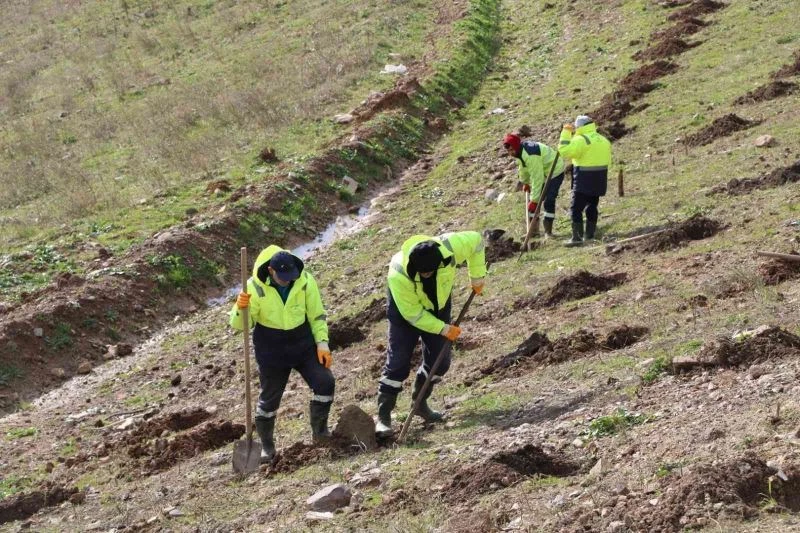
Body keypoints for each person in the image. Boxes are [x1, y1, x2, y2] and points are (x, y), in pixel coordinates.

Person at [375, 231, 487, 437]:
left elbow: (477, 242)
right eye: (423, 273)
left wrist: (477, 276)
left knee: (440, 362)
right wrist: (444, 328)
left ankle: (420, 403)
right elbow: (413, 314)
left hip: (438, 305)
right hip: (404, 313)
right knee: (398, 363)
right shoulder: (399, 273)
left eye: (430, 271)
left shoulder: (451, 248)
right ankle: (383, 417)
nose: (426, 275)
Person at [229, 246, 334, 462]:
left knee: (325, 382)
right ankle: (267, 447)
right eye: (283, 277)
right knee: (269, 401)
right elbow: (242, 325)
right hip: (271, 349)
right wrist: (240, 308)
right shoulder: (253, 288)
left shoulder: (304, 280)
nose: (287, 281)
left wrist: (322, 343)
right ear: (271, 271)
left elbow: (316, 314)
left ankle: (320, 434)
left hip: (303, 344)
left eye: (291, 276)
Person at [557, 115, 612, 246]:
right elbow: (609, 160)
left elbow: (564, 152)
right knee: (592, 205)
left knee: (576, 208)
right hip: (600, 177)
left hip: (583, 177)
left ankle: (576, 238)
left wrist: (566, 133)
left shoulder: (581, 139)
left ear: (579, 127)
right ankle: (590, 235)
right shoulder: (603, 139)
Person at [503, 133, 566, 238]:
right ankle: (533, 231)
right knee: (532, 203)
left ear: (516, 146)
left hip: (555, 171)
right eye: (508, 151)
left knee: (549, 200)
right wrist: (525, 182)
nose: (510, 153)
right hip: (544, 172)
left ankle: (548, 232)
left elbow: (537, 178)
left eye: (512, 150)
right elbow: (523, 168)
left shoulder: (530, 155)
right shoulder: (519, 152)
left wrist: (534, 200)